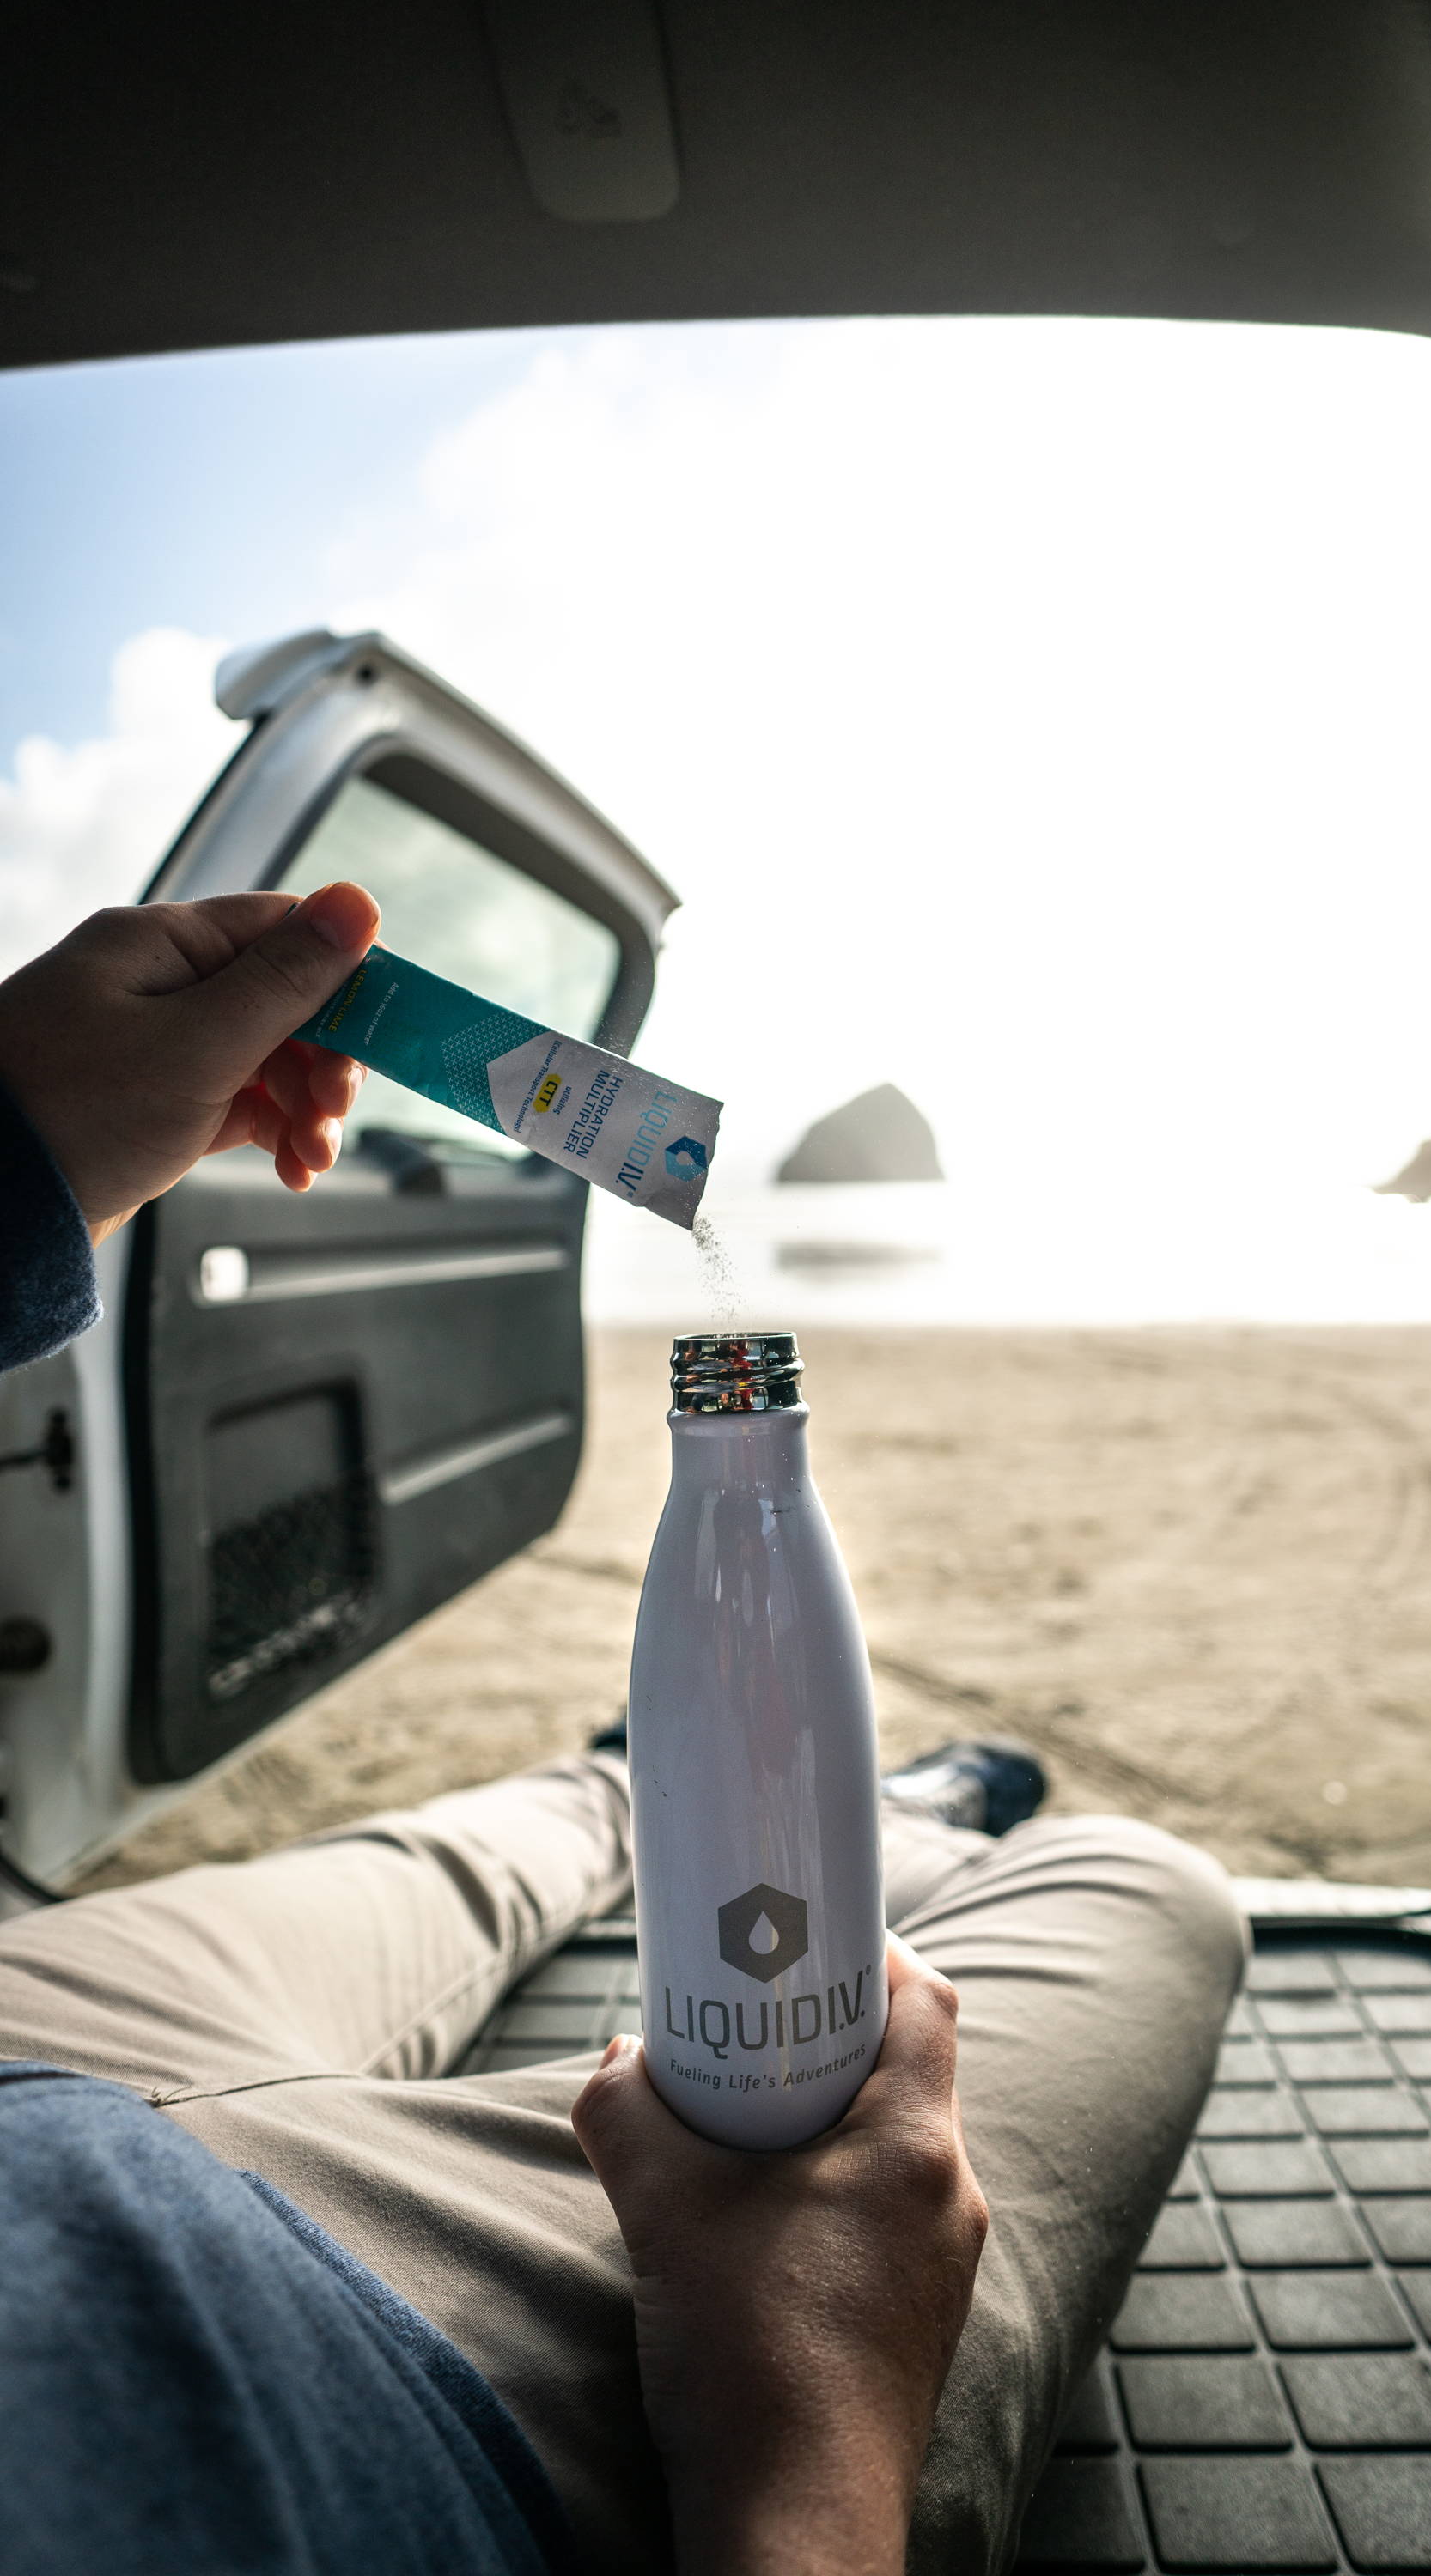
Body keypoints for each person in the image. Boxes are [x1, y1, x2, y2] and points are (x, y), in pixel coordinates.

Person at [0, 887, 1246, 2575]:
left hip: (27, 2093)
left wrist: (19, 1146)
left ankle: (603, 1793)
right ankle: (870, 1813)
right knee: (1142, 1884)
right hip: (342, 2381)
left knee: (449, 1849)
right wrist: (807, 2428)